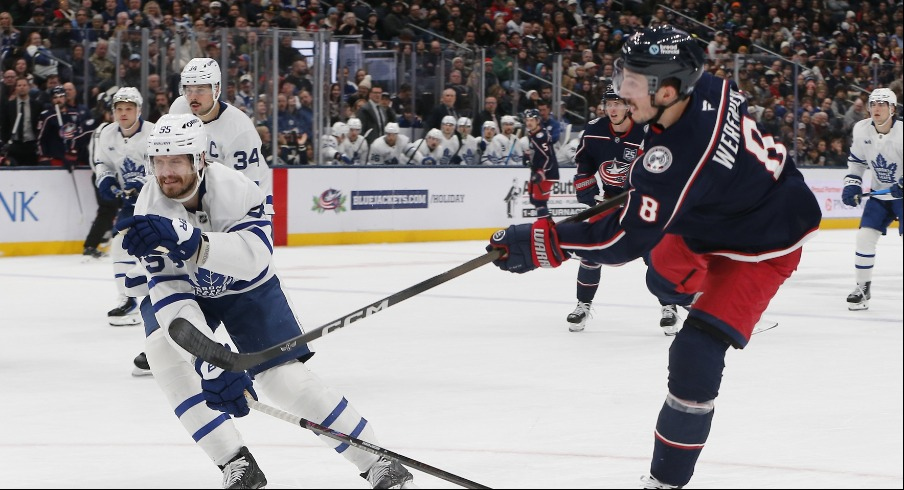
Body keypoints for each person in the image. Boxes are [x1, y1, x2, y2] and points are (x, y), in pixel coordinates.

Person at [485, 26, 821, 489]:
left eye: (633, 82)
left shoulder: (679, 156)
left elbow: (622, 242)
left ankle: (666, 481)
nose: (622, 90)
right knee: (662, 280)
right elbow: (657, 178)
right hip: (711, 216)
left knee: (694, 353)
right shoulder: (705, 85)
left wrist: (540, 242)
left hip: (762, 245)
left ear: (667, 89)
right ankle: (696, 298)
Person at [115, 113, 415, 489]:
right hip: (189, 292)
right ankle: (235, 462)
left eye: (176, 160)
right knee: (161, 349)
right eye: (158, 162)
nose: (166, 172)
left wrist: (193, 240)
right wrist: (209, 359)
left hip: (247, 289)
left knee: (284, 381)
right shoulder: (149, 207)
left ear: (200, 160)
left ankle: (377, 461)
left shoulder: (237, 189)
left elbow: (255, 257)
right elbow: (169, 294)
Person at [566, 86, 647, 333]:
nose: (612, 109)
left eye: (618, 103)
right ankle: (583, 305)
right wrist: (585, 185)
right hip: (609, 200)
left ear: (629, 106)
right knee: (590, 252)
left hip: (642, 202)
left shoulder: (646, 131)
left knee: (655, 255)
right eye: (609, 103)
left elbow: (661, 166)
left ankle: (670, 308)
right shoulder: (594, 130)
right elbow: (584, 161)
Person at [93, 87, 155, 333]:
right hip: (130, 205)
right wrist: (106, 180)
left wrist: (141, 183)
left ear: (138, 110)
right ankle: (128, 298)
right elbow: (103, 163)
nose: (123, 113)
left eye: (129, 108)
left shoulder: (153, 133)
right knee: (120, 245)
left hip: (158, 201)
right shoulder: (107, 134)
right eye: (119, 109)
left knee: (159, 248)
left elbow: (161, 164)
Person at [840, 87, 903, 311]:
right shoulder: (861, 129)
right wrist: (852, 183)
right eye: (873, 104)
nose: (876, 108)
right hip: (880, 195)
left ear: (892, 109)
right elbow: (857, 162)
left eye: (882, 104)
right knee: (864, 237)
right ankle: (862, 288)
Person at [522, 108, 559, 217]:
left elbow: (548, 157)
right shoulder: (533, 134)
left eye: (532, 120)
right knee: (533, 200)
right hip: (537, 171)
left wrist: (541, 172)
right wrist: (528, 157)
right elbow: (536, 152)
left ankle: (545, 227)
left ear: (538, 121)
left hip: (546, 173)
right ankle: (546, 224)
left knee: (540, 202)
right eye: (527, 120)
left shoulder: (541, 135)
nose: (529, 123)